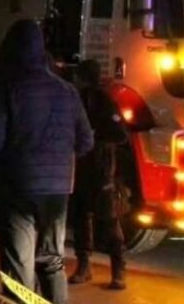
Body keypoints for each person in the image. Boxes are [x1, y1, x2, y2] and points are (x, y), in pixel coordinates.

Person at [0, 20, 93, 304]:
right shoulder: (68, 91)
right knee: (52, 261)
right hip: (57, 192)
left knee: (19, 267)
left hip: (16, 189)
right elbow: (86, 142)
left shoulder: (6, 89)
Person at [69, 59, 128, 289]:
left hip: (102, 169)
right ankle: (84, 266)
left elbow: (120, 134)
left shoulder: (104, 101)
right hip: (82, 167)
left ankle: (118, 268)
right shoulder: (76, 99)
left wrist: (95, 135)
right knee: (82, 217)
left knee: (108, 218)